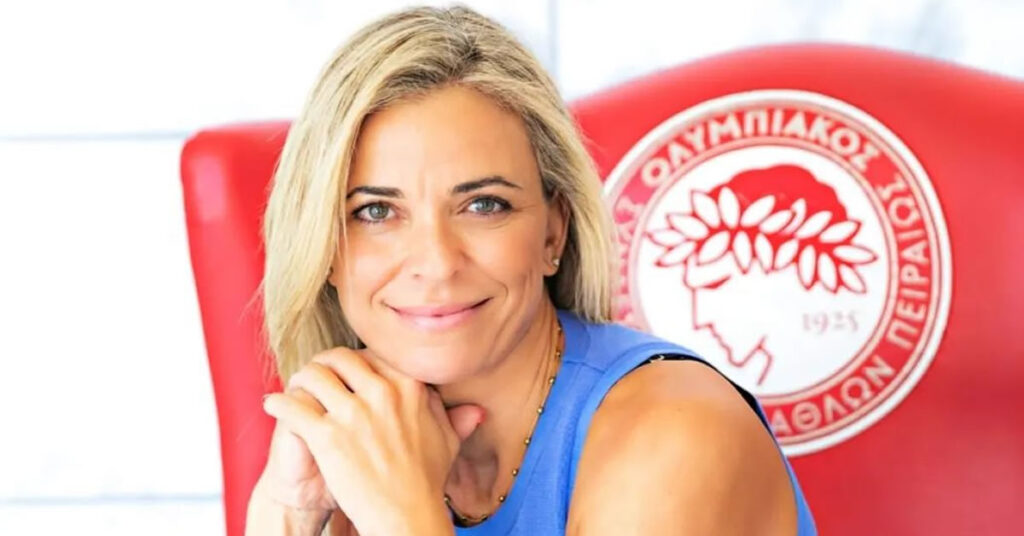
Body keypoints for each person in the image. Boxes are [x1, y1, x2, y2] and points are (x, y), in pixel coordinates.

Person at [246, 6, 816, 535]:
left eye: (483, 205)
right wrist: (290, 514)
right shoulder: (363, 445)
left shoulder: (677, 434)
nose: (437, 262)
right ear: (324, 248)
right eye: (375, 212)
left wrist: (403, 517)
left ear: (552, 233)